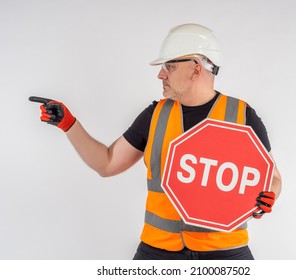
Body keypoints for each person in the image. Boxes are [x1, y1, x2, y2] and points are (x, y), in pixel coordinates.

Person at [29, 23, 282, 260]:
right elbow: (106, 164)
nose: (161, 74)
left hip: (225, 253)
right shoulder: (155, 115)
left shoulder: (241, 116)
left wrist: (271, 194)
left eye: (169, 66)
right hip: (158, 252)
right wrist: (69, 124)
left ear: (196, 68)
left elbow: (273, 177)